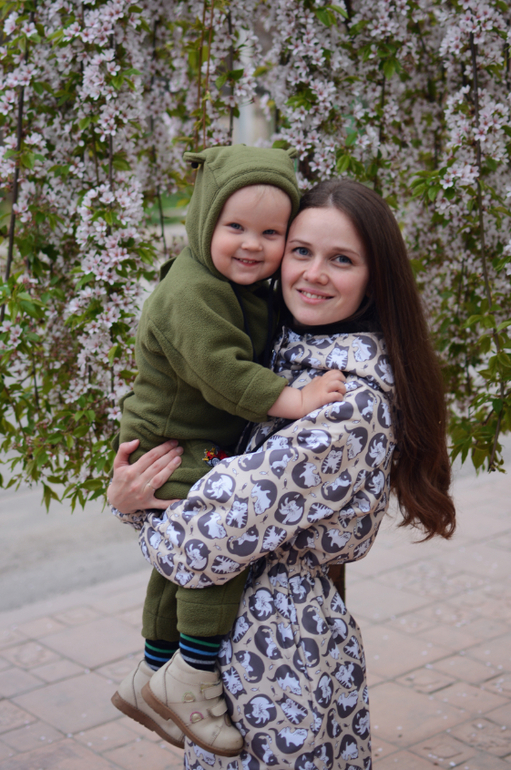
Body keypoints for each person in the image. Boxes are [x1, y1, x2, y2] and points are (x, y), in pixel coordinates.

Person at [109, 178, 456, 769]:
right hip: (226, 645)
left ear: (375, 279)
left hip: (277, 658)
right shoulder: (279, 354)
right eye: (301, 251)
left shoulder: (347, 405)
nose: (314, 274)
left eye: (341, 259)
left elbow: (199, 544)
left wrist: (133, 504)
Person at [112, 145, 347, 757]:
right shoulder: (193, 292)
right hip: (174, 440)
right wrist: (297, 399)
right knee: (219, 540)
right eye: (234, 226)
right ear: (202, 222)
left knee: (178, 563)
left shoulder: (233, 286)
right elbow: (223, 372)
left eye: (271, 233)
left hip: (190, 435)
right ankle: (192, 672)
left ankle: (151, 669)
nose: (252, 244)